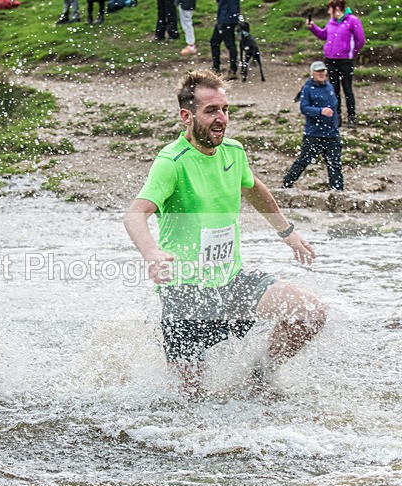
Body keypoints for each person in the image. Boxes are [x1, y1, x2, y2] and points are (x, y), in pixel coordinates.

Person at [123, 69, 326, 397]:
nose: (221, 119)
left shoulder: (233, 152)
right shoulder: (171, 162)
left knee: (309, 312)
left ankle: (259, 376)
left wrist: (287, 233)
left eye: (225, 110)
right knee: (191, 404)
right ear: (186, 116)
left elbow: (255, 190)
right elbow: (135, 214)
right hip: (185, 294)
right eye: (211, 111)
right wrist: (151, 252)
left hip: (231, 283)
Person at [283, 62, 343, 191]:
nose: (321, 74)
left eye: (323, 71)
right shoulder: (308, 88)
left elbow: (334, 107)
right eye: (318, 71)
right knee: (304, 161)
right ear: (312, 73)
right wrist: (320, 111)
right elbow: (304, 108)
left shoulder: (330, 87)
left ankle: (338, 191)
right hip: (314, 134)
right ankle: (286, 185)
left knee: (335, 165)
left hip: (332, 134)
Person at [307, 0, 365, 129]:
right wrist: (313, 27)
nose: (328, 12)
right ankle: (336, 117)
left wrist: (351, 53)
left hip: (345, 61)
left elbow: (360, 40)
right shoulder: (331, 22)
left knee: (347, 89)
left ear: (337, 8)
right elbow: (323, 35)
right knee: (333, 90)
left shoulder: (352, 21)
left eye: (330, 9)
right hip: (330, 60)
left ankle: (351, 117)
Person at [210, 0, 240, 80]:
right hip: (232, 17)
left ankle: (218, 68)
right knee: (229, 43)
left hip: (224, 18)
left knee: (217, 42)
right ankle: (231, 69)